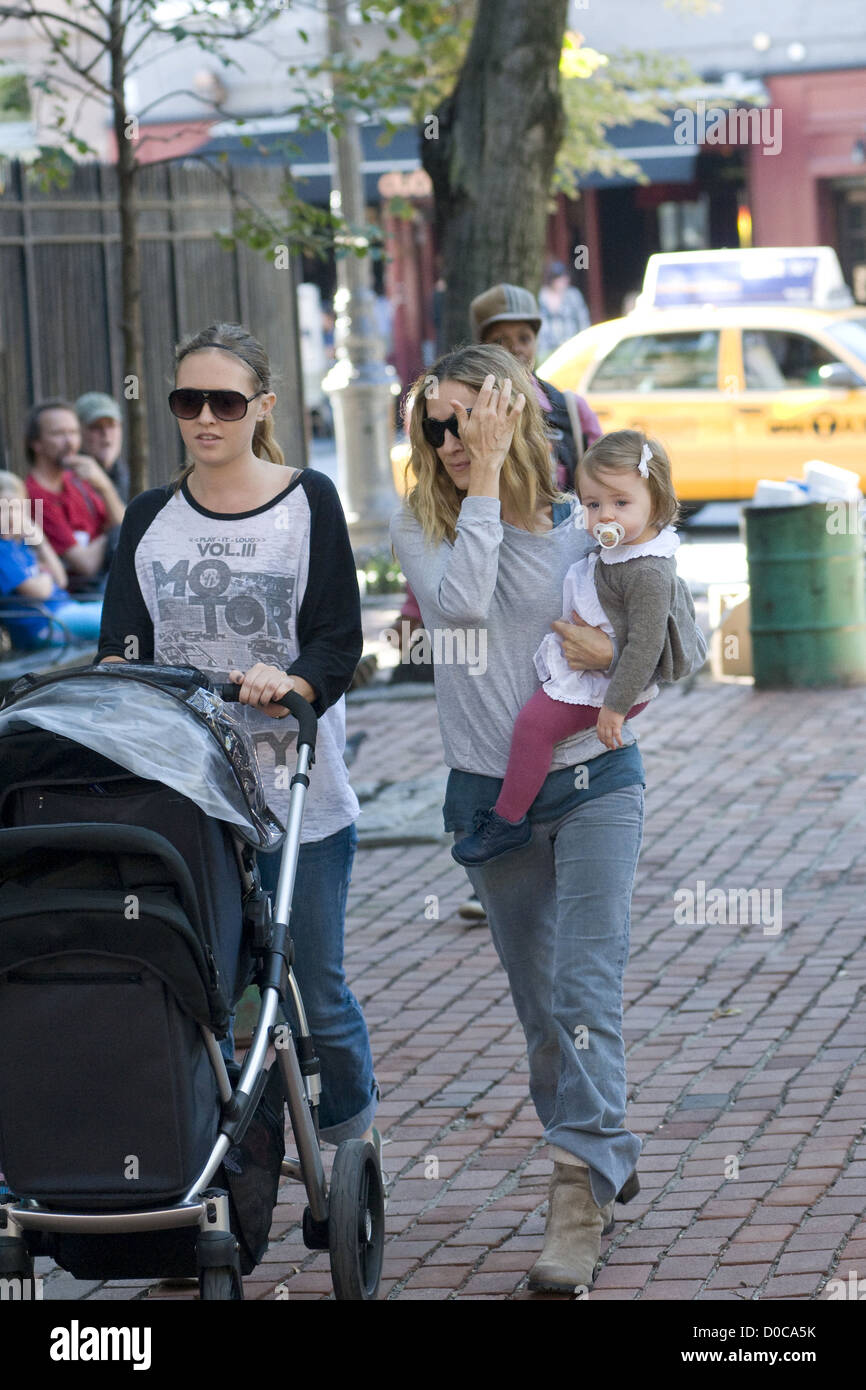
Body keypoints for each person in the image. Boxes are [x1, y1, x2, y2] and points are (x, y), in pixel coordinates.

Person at [390, 344, 707, 1292]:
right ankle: (602, 1143)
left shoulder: (588, 521)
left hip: (598, 780)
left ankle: (576, 1199)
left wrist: (614, 648)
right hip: (489, 795)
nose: (452, 438)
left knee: (583, 993)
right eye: (436, 424)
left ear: (513, 411)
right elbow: (457, 609)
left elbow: (674, 649)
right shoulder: (422, 522)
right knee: (541, 1019)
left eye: (469, 418)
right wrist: (483, 485)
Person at [97, 321, 380, 1156]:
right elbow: (121, 647)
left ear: (262, 405)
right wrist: (125, 678)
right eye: (189, 401)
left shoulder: (308, 501)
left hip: (298, 798)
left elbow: (337, 638)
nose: (205, 418)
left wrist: (291, 682)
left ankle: (352, 1154)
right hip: (186, 800)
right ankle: (228, 1171)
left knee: (316, 991)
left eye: (225, 401)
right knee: (213, 995)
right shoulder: (150, 517)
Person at [452, 430, 697, 866]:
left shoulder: (647, 571)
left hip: (616, 687)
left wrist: (615, 707)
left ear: (656, 503)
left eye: (621, 503)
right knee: (534, 725)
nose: (604, 516)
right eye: (592, 504)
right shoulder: (621, 547)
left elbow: (646, 645)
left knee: (533, 727)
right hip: (600, 674)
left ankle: (508, 820)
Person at [469, 283, 601, 492]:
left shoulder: (571, 409)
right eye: (500, 340)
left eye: (524, 338)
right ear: (481, 348)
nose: (515, 348)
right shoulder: (468, 409)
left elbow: (600, 484)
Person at [24, 398, 125, 594]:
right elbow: (86, 565)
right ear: (36, 444)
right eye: (58, 434)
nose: (70, 442)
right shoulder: (33, 497)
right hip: (77, 596)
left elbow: (122, 522)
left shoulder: (78, 480)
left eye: (73, 433)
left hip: (107, 584)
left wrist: (104, 486)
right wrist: (112, 532)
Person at [0, 470, 102, 648]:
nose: (9, 517)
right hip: (43, 626)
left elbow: (61, 579)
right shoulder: (2, 551)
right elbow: (39, 591)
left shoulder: (20, 545)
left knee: (114, 611)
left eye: (15, 509)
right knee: (112, 619)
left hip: (62, 613)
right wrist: (45, 577)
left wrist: (40, 541)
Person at [76, 392, 130, 503]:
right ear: (77, 432)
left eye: (111, 426)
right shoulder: (66, 481)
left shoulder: (129, 477)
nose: (105, 434)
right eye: (95, 427)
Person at [537, 259, 591, 362]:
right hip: (547, 349)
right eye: (557, 278)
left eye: (563, 277)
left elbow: (583, 321)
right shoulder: (541, 296)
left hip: (571, 348)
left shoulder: (573, 295)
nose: (562, 281)